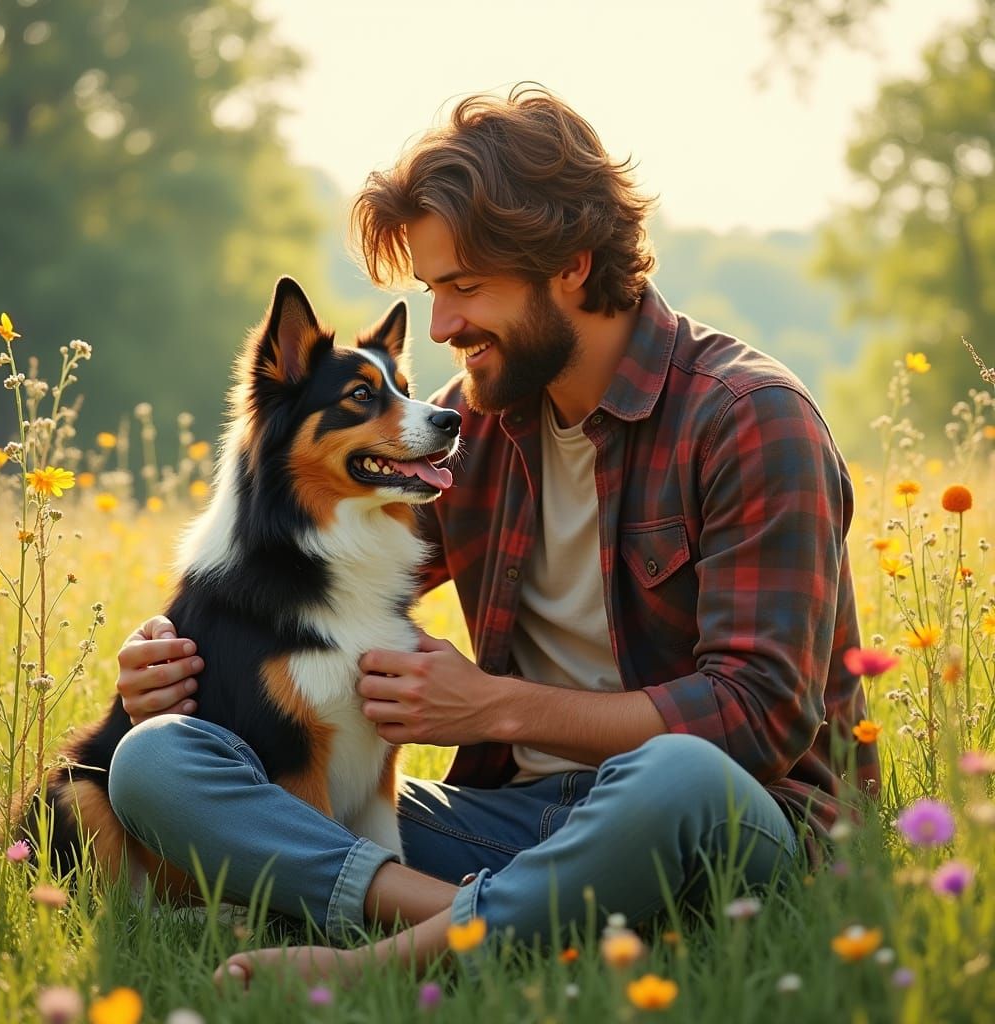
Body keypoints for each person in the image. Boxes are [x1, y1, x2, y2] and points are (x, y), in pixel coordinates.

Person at [108, 84, 879, 985]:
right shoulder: (473, 425)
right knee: (156, 761)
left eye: (466, 288)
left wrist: (494, 708)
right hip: (510, 819)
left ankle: (387, 959)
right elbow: (311, 570)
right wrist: (173, 652)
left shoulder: (750, 419)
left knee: (673, 775)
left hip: (722, 821)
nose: (442, 328)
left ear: (572, 267)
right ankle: (495, 911)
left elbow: (760, 718)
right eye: (435, 290)